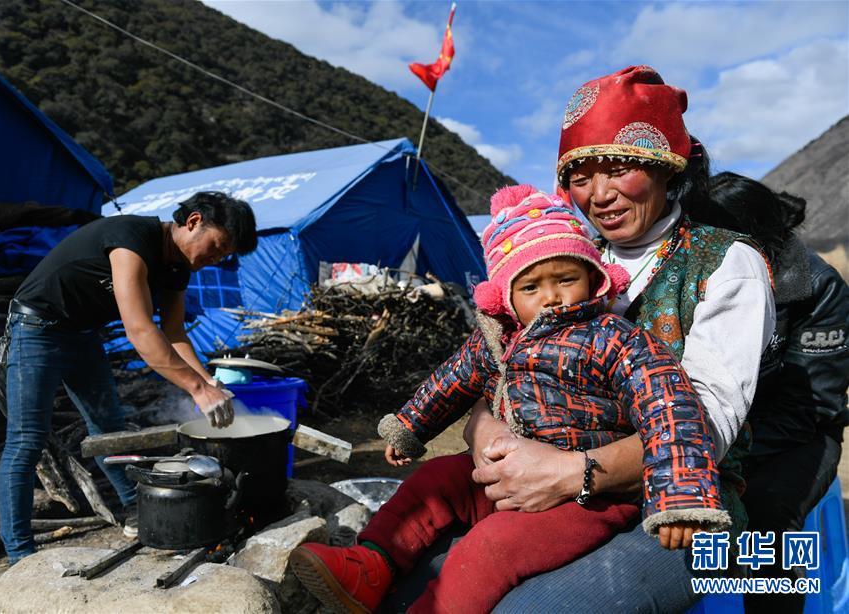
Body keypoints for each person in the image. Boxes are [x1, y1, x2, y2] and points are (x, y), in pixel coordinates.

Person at [382, 65, 777, 612]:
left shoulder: (726, 263)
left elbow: (706, 424)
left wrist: (569, 474)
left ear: (667, 167)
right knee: (417, 580)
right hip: (538, 480)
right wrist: (489, 434)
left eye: (620, 170)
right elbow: (494, 364)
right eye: (582, 176)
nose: (600, 194)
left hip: (678, 508)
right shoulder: (558, 252)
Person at [288, 185, 730, 614]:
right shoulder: (499, 339)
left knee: (490, 549)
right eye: (531, 287)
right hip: (506, 472)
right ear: (507, 297)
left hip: (585, 499)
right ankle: (371, 565)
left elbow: (669, 407)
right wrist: (410, 426)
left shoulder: (613, 339)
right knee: (434, 481)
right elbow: (452, 380)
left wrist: (681, 497)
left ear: (593, 280)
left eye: (566, 278)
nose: (551, 296)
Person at [0, 191, 257, 564]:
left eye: (223, 256)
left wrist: (209, 382)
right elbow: (139, 329)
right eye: (217, 247)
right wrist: (195, 388)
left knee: (110, 430)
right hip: (37, 326)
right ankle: (19, 555)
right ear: (194, 221)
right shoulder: (131, 238)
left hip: (82, 335)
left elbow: (175, 333)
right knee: (27, 441)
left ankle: (137, 512)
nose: (215, 259)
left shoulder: (177, 267)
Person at [700, 172, 849, 613]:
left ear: (754, 237)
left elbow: (813, 404)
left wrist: (721, 451)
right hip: (715, 432)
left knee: (768, 519)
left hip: (798, 435)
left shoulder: (817, 289)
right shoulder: (696, 276)